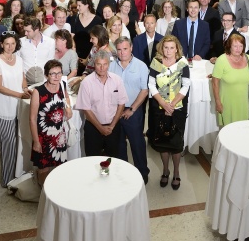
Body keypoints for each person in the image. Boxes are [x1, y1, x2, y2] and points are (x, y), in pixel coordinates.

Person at [148, 36, 191, 190]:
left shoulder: (182, 63)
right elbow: (151, 85)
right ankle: (165, 170)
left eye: (172, 48)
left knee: (176, 142)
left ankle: (177, 172)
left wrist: (171, 104)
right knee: (163, 142)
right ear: (162, 48)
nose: (169, 51)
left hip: (177, 108)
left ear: (177, 49)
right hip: (159, 108)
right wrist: (163, 104)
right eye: (166, 47)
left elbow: (185, 86)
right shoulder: (156, 63)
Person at [0, 32, 30, 187]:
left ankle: (19, 175)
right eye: (7, 43)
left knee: (20, 142)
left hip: (19, 108)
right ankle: (7, 180)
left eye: (13, 43)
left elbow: (23, 78)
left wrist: (25, 89)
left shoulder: (18, 59)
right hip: (4, 108)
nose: (10, 46)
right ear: (1, 44)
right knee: (7, 143)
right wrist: (19, 94)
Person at [109, 38, 150, 183]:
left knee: (137, 143)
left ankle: (142, 174)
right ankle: (123, 174)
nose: (122, 52)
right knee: (118, 144)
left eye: (125, 49)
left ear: (131, 48)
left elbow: (144, 90)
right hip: (115, 111)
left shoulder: (141, 66)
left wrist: (132, 109)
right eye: (119, 49)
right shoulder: (111, 66)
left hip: (133, 110)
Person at [75, 50, 128, 158]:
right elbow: (86, 109)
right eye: (99, 64)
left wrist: (112, 126)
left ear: (108, 65)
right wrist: (100, 128)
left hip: (113, 127)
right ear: (94, 64)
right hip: (93, 129)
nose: (102, 68)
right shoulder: (86, 83)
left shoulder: (117, 80)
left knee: (113, 160)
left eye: (105, 64)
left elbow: (121, 104)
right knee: (93, 159)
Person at [30, 60, 72, 185]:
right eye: (53, 74)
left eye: (59, 73)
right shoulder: (38, 92)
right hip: (43, 137)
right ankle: (43, 195)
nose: (56, 77)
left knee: (59, 167)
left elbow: (67, 97)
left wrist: (68, 107)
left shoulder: (63, 85)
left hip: (59, 136)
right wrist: (36, 141)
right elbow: (32, 119)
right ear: (46, 75)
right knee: (44, 169)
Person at [212, 33, 249, 125]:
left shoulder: (248, 58)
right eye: (235, 46)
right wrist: (218, 102)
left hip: (243, 104)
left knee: (242, 130)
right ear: (229, 46)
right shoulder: (221, 60)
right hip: (227, 104)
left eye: (241, 46)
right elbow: (215, 84)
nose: (238, 49)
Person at [69, 0, 104, 68]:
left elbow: (98, 40)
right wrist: (74, 55)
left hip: (91, 54)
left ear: (87, 5)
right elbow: (72, 37)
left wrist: (88, 58)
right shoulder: (74, 18)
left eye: (79, 5)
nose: (77, 8)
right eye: (77, 5)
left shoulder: (97, 20)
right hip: (76, 54)